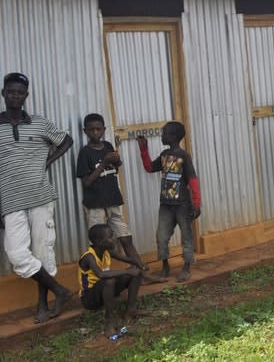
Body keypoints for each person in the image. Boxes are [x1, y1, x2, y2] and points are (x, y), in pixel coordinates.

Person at [0, 72, 74, 324]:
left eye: (20, 92)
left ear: (26, 96)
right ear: (3, 93)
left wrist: (48, 161)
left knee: (44, 251)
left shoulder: (40, 123)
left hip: (41, 196)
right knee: (17, 254)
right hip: (9, 199)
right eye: (10, 91)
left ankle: (43, 304)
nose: (15, 96)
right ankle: (60, 291)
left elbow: (66, 140)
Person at [76, 113, 158, 280]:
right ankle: (104, 280)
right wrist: (104, 163)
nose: (96, 132)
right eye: (91, 130)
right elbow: (87, 182)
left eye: (99, 129)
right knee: (100, 244)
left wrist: (116, 160)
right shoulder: (85, 153)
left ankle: (141, 273)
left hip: (113, 201)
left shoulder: (107, 146)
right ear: (85, 131)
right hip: (95, 206)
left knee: (126, 238)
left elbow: (115, 170)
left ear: (104, 130)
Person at [137, 122, 201, 282]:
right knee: (161, 236)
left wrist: (197, 203)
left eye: (164, 133)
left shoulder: (184, 156)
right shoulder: (164, 154)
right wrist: (143, 149)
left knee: (186, 236)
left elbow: (193, 179)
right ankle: (165, 266)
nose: (162, 136)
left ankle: (186, 267)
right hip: (165, 205)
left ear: (173, 137)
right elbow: (150, 168)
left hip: (183, 205)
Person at [78, 224, 148, 340]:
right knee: (110, 280)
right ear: (99, 241)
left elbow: (127, 259)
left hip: (104, 291)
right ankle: (109, 322)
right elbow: (101, 274)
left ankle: (131, 310)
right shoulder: (89, 257)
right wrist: (126, 272)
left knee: (135, 272)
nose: (113, 239)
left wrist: (139, 264)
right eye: (110, 237)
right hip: (89, 297)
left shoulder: (107, 251)